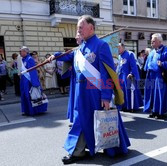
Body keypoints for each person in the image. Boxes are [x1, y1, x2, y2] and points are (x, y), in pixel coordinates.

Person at [49, 15, 130, 164]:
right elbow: (68, 57)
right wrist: (55, 56)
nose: (78, 30)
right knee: (82, 119)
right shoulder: (81, 47)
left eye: (80, 27)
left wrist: (106, 96)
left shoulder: (101, 46)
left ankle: (108, 147)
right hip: (81, 93)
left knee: (98, 120)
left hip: (95, 92)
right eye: (77, 27)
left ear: (91, 28)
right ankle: (79, 150)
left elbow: (107, 73)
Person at [143, 33, 167, 119]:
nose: (151, 43)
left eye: (153, 41)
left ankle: (160, 112)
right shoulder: (152, 52)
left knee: (159, 94)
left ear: (159, 41)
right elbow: (146, 64)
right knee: (150, 94)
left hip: (160, 76)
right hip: (150, 75)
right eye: (151, 41)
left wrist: (163, 64)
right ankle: (153, 110)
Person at [19, 46, 48, 116]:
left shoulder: (30, 59)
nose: (20, 53)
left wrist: (35, 83)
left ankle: (34, 111)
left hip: (29, 81)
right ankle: (27, 110)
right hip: (24, 81)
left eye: (21, 51)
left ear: (25, 52)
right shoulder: (23, 59)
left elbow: (33, 72)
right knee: (25, 95)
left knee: (32, 96)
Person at [117, 43, 143, 112]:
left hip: (128, 76)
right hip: (121, 77)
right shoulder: (119, 56)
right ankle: (124, 106)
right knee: (122, 92)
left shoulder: (130, 54)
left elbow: (134, 65)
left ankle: (131, 106)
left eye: (119, 48)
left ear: (123, 47)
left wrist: (131, 73)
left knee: (129, 92)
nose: (118, 49)